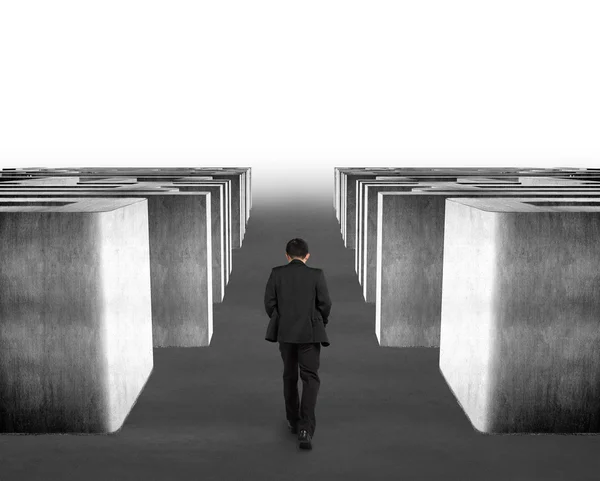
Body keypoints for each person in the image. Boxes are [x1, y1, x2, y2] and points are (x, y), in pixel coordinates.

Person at [264, 238, 332, 450]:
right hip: (309, 335)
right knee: (310, 378)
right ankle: (305, 428)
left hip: (286, 334)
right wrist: (320, 321)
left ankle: (293, 421)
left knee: (289, 376)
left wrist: (280, 320)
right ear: (307, 256)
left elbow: (269, 303)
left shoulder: (277, 273)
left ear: (287, 255)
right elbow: (325, 304)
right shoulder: (316, 275)